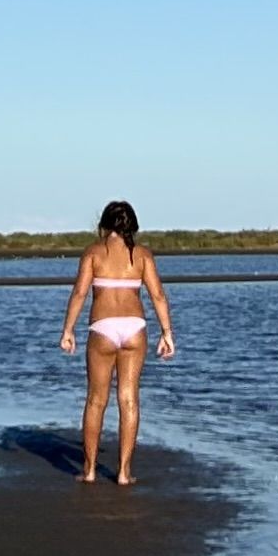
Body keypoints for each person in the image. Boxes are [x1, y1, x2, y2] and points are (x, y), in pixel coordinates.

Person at [56, 198, 175, 484]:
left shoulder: (94, 252)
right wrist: (167, 332)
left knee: (97, 400)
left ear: (104, 225)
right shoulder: (142, 255)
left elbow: (80, 294)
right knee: (129, 399)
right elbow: (158, 295)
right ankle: (123, 473)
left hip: (102, 329)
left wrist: (67, 330)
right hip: (135, 328)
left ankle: (89, 470)